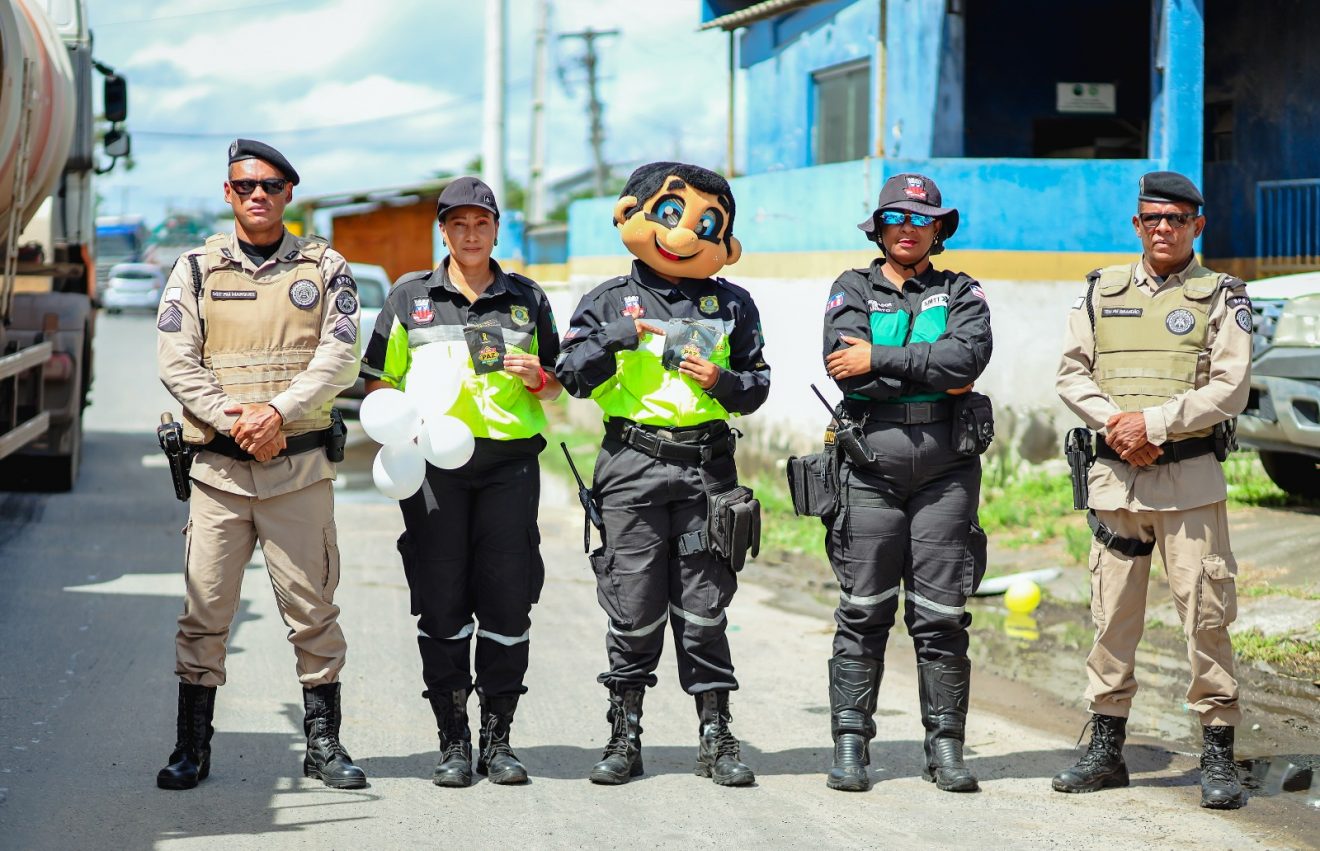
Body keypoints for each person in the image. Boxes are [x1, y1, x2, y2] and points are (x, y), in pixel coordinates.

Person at [154, 139, 365, 790]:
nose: (257, 196)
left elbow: (341, 356)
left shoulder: (326, 266)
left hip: (296, 470)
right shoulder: (194, 268)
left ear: (288, 194)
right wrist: (235, 418)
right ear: (227, 193)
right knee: (205, 612)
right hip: (218, 473)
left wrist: (274, 411)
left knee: (313, 611)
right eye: (245, 185)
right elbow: (175, 360)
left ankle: (323, 745)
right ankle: (193, 746)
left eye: (271, 186)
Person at [556, 162, 770, 786]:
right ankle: (624, 735)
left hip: (708, 470)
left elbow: (757, 385)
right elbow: (571, 375)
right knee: (633, 604)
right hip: (631, 466)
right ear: (632, 214)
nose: (686, 234)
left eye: (707, 224)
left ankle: (716, 736)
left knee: (705, 608)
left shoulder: (734, 303)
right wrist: (619, 336)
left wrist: (723, 383)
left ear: (726, 243)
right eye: (674, 215)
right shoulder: (605, 301)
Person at [1054, 171, 1250, 810]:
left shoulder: (1220, 294)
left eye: (1176, 218)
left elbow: (1232, 387)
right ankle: (1106, 749)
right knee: (1110, 619)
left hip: (1190, 483)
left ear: (1198, 225)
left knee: (1207, 616)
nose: (1162, 228)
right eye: (1151, 218)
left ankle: (1218, 752)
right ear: (1136, 226)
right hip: (1116, 483)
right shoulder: (1099, 291)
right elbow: (1071, 375)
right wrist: (1119, 424)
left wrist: (1155, 424)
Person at [360, 176, 561, 787]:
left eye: (482, 223)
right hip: (432, 471)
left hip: (508, 466)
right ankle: (452, 739)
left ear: (497, 229)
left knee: (506, 599)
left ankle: (499, 739)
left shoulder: (527, 298)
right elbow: (376, 382)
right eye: (458, 224)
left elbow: (557, 382)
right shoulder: (408, 297)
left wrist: (539, 379)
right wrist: (405, 417)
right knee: (442, 599)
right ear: (442, 231)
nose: (470, 235)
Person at [820, 173, 992, 793]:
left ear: (939, 229)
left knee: (942, 616)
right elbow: (847, 374)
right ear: (879, 225)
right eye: (897, 218)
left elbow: (966, 362)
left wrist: (882, 358)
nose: (909, 229)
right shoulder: (851, 288)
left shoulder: (962, 290)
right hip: (869, 471)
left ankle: (946, 749)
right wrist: (929, 371)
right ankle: (849, 746)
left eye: (923, 220)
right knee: (863, 610)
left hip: (947, 473)